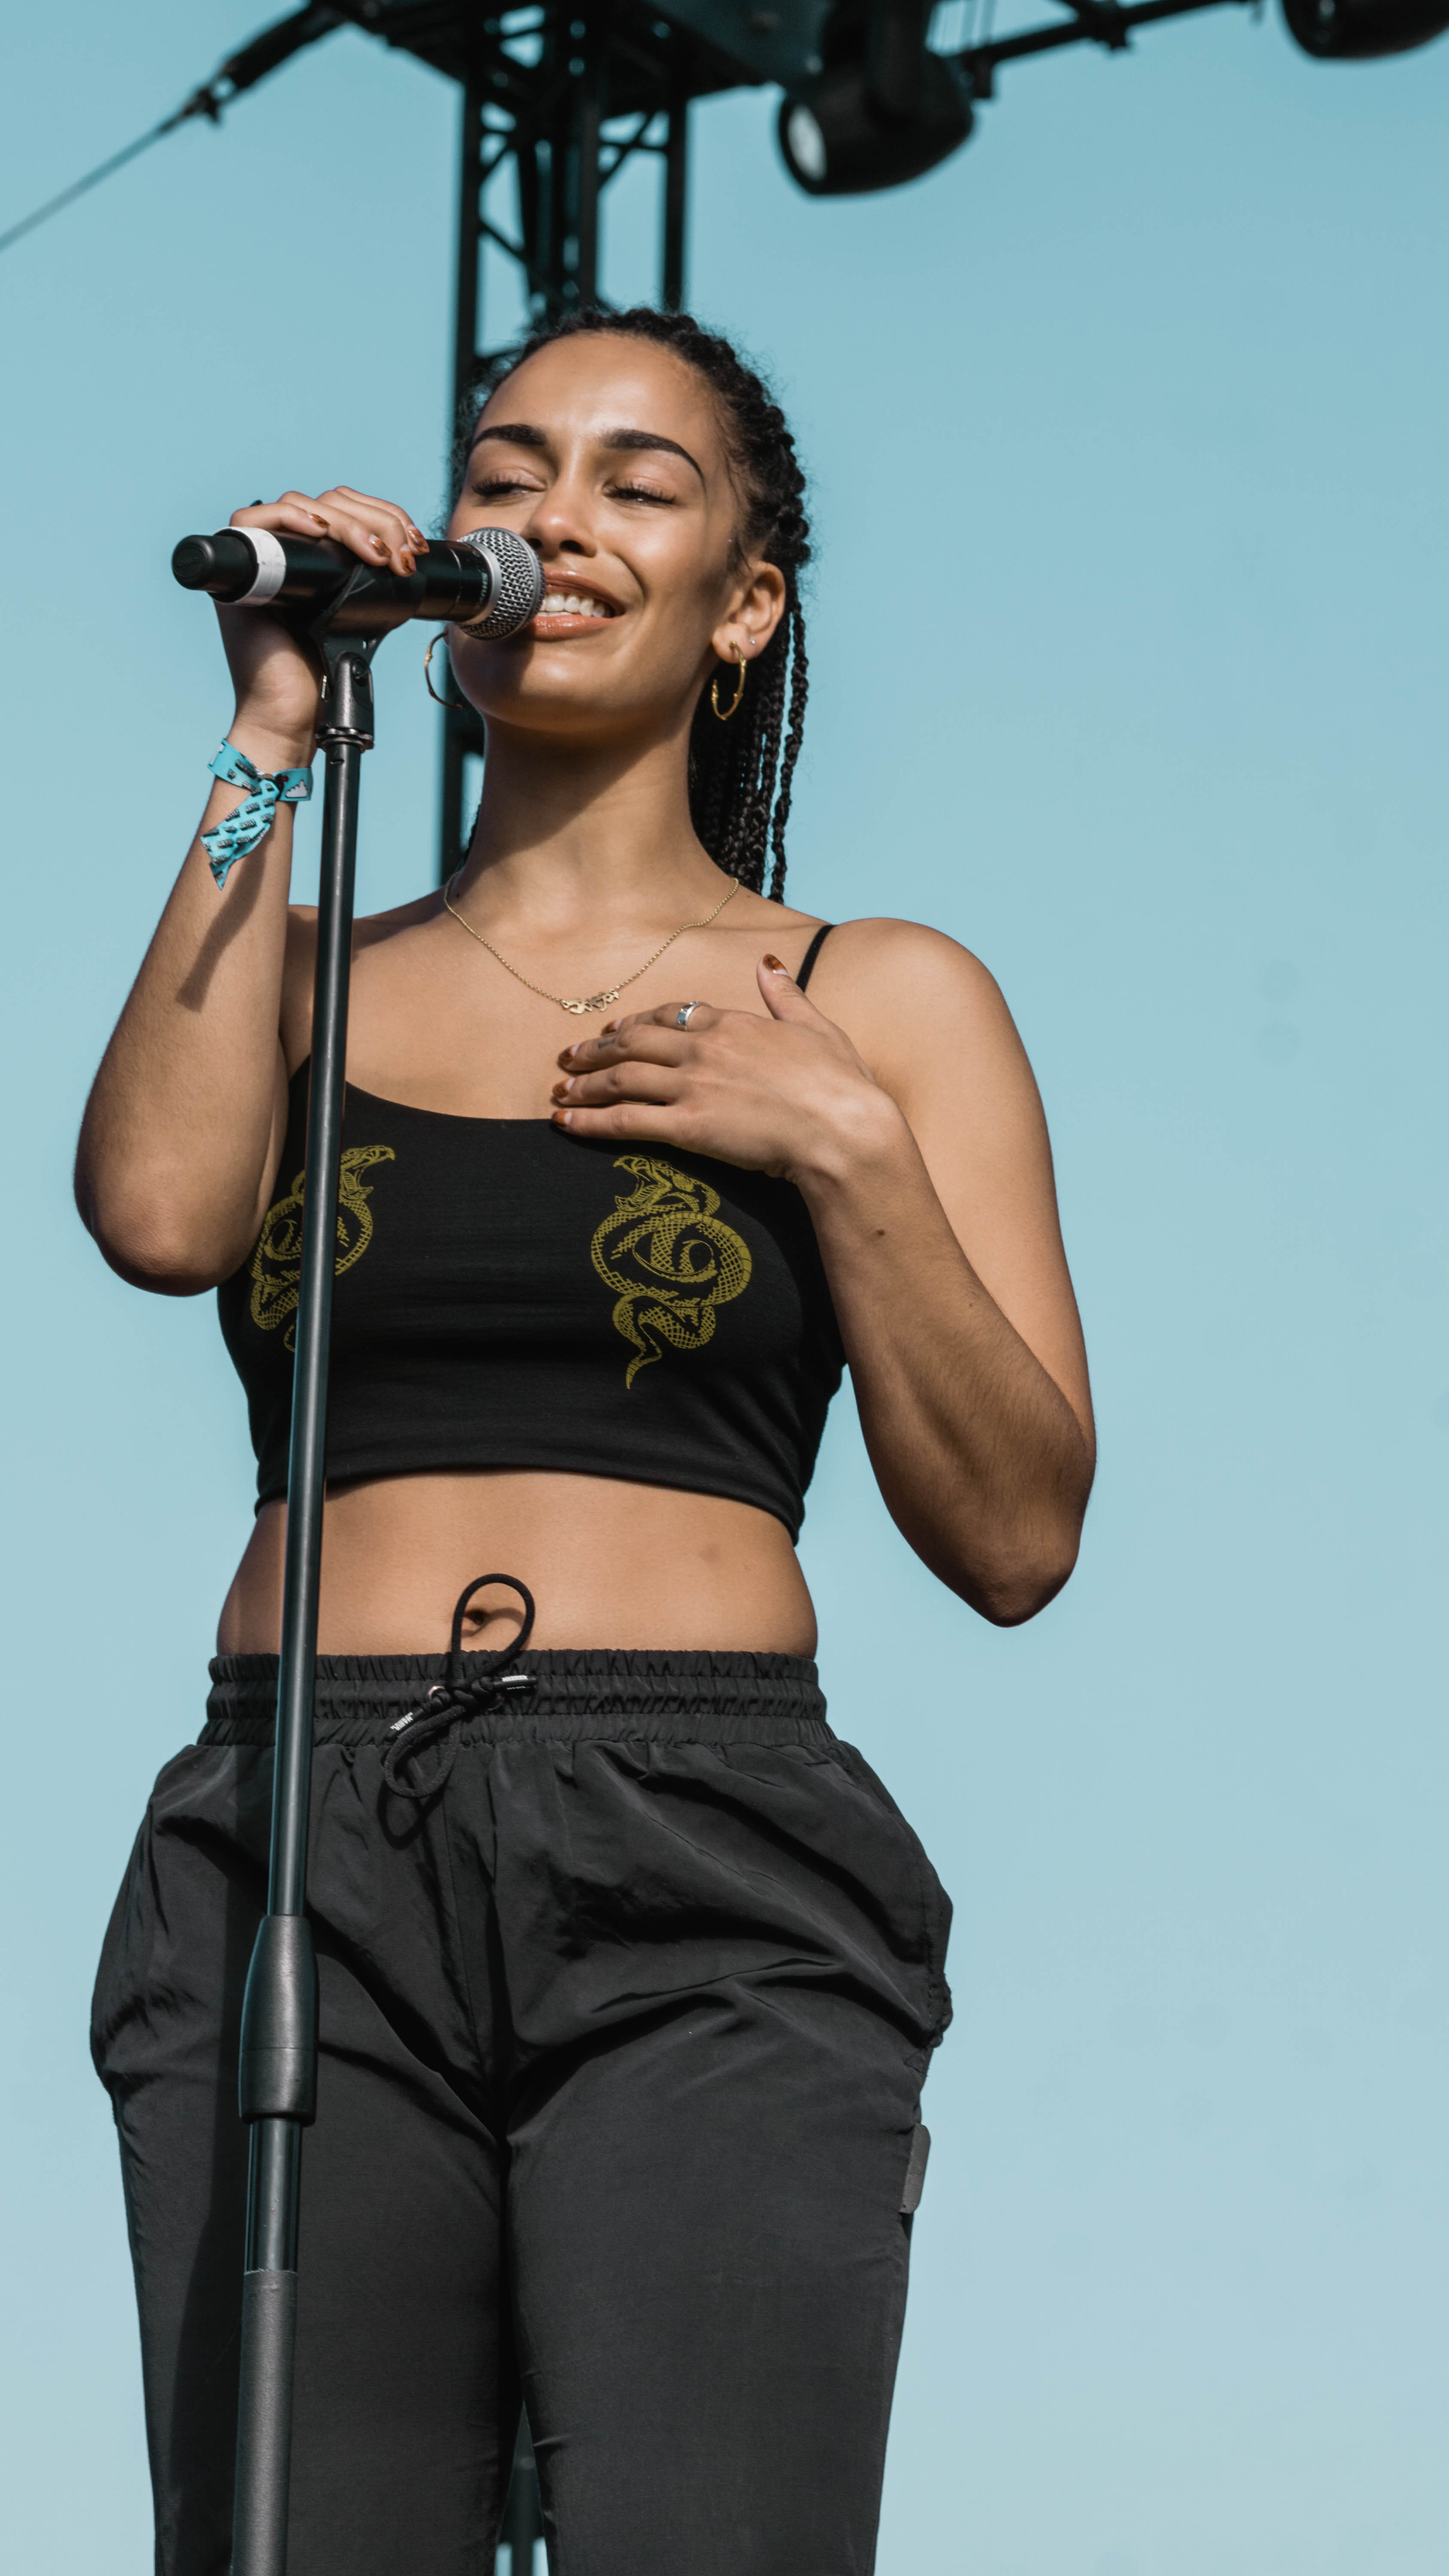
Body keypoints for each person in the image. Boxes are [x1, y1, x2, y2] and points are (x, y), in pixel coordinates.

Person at [77, 307, 1094, 2576]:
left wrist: (848, 1152)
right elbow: (153, 1214)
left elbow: (1020, 1533)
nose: (557, 518)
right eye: (511, 470)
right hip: (295, 1835)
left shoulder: (876, 999)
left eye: (640, 483)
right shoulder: (302, 967)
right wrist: (269, 730)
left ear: (746, 602)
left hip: (701, 1845)